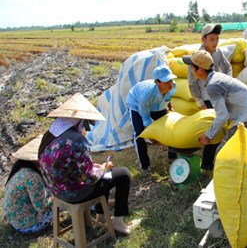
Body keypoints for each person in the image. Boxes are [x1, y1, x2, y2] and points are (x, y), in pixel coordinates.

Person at [38, 93, 132, 234]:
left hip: (58, 192)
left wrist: (98, 169)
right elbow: (89, 178)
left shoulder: (50, 136)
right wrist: (103, 168)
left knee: (105, 175)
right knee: (122, 174)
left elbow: (72, 167)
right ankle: (118, 221)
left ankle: (101, 216)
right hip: (76, 193)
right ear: (80, 122)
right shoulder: (76, 140)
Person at [183, 50, 247, 159]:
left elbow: (223, 115)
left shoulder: (212, 86)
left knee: (222, 153)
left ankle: (219, 175)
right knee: (242, 152)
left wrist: (208, 135)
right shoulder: (216, 77)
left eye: (191, 66)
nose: (190, 69)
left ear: (199, 69)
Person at [125, 65, 177, 171]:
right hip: (137, 106)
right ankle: (145, 166)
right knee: (140, 134)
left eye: (170, 80)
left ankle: (172, 158)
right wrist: (151, 132)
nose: (170, 83)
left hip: (157, 105)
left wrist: (170, 107)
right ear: (157, 82)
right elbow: (145, 114)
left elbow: (168, 97)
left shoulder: (173, 86)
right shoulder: (147, 94)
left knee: (171, 128)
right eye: (166, 81)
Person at [2, 135, 53, 234]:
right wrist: (52, 200)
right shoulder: (33, 177)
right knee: (60, 203)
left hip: (14, 221)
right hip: (27, 225)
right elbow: (42, 208)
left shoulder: (21, 169)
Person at [188, 23, 232, 110]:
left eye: (217, 39)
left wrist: (228, 84)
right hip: (207, 99)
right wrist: (200, 103)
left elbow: (227, 67)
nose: (215, 43)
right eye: (211, 39)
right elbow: (192, 82)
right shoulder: (197, 57)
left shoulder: (218, 52)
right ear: (203, 39)